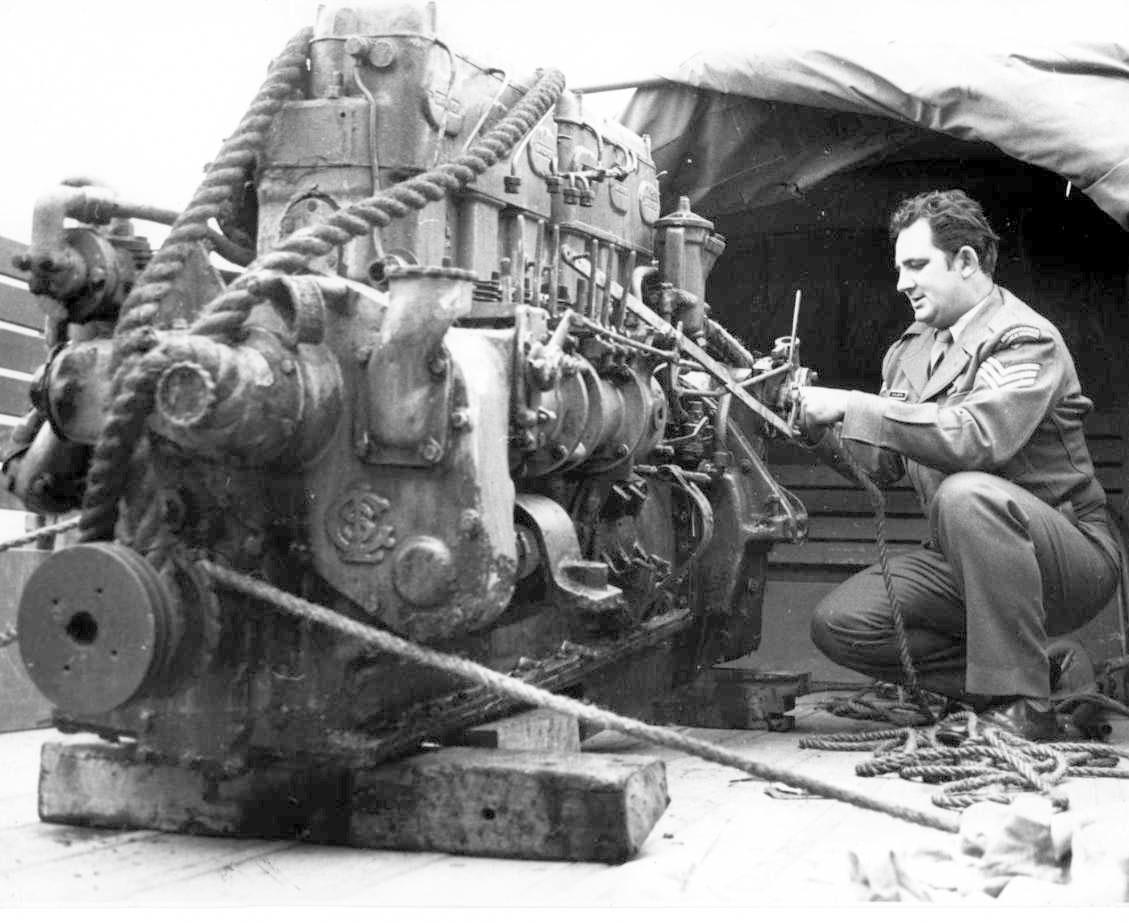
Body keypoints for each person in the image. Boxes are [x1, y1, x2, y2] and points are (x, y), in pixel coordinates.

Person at [796, 189, 1121, 740]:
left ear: (967, 261)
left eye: (917, 264)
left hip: (1068, 557)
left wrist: (851, 403)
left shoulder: (1024, 338)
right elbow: (881, 464)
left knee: (966, 492)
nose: (902, 282)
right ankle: (1044, 680)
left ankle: (1023, 706)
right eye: (899, 267)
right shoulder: (910, 352)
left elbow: (977, 438)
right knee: (845, 622)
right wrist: (806, 424)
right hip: (965, 554)